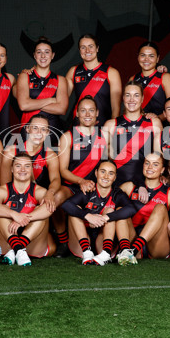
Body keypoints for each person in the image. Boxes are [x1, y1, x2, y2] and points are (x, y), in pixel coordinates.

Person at [53, 96, 109, 256]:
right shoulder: (68, 136)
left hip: (95, 189)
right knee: (56, 198)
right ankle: (63, 240)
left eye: (91, 110)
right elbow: (63, 170)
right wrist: (81, 181)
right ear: (77, 113)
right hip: (72, 186)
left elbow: (111, 165)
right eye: (83, 110)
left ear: (97, 113)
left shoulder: (104, 136)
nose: (87, 114)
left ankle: (99, 237)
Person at [61, 160, 138, 265]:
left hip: (102, 239)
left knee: (112, 211)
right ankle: (87, 253)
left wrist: (105, 217)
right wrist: (88, 216)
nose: (106, 176)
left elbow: (131, 209)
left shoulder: (117, 194)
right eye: (103, 172)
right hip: (82, 241)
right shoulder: (88, 191)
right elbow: (66, 205)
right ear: (96, 173)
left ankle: (106, 253)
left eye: (111, 173)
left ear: (115, 177)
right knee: (75, 209)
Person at [116, 152, 170, 264]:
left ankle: (133, 250)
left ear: (162, 170)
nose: (150, 167)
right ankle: (126, 250)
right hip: (132, 238)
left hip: (157, 247)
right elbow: (108, 204)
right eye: (147, 163)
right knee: (119, 211)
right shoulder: (129, 187)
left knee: (160, 208)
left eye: (155, 164)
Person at [0, 154, 56, 266]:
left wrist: (24, 219)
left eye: (27, 166)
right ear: (11, 169)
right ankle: (18, 249)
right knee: (2, 210)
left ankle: (18, 248)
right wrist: (13, 214)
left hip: (33, 246)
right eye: (18, 166)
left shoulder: (39, 191)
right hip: (5, 245)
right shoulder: (1, 191)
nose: (22, 170)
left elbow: (49, 209)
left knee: (42, 210)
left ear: (32, 169)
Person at [103, 81, 163, 187]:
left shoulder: (154, 123)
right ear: (123, 98)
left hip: (145, 184)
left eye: (136, 95)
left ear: (142, 99)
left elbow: (159, 155)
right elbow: (101, 157)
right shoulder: (111, 125)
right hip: (115, 184)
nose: (131, 99)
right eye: (127, 95)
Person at [15, 37, 69, 137]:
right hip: (28, 131)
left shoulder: (60, 79)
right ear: (34, 55)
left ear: (52, 55)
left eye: (47, 52)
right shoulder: (24, 76)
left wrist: (32, 102)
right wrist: (51, 100)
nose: (43, 55)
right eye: (39, 52)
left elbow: (62, 109)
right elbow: (23, 105)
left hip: (52, 132)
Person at [65, 34, 122, 126]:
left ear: (97, 48)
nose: (87, 50)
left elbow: (116, 108)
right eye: (83, 47)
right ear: (80, 51)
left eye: (91, 46)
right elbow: (61, 99)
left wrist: (112, 129)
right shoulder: (74, 71)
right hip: (79, 126)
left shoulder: (111, 72)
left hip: (103, 127)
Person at [129, 41, 170, 119]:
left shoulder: (165, 78)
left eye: (151, 56)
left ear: (157, 59)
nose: (146, 59)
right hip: (138, 127)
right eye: (143, 55)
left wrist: (156, 119)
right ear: (138, 57)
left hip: (161, 127)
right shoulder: (133, 79)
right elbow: (129, 107)